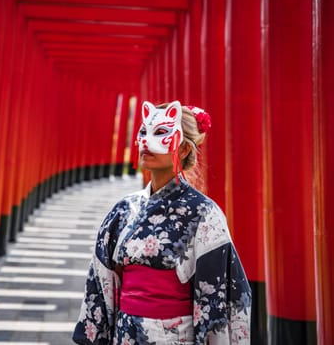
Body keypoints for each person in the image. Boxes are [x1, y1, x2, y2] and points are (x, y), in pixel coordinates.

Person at [73, 101, 251, 345]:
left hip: (175, 336)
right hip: (126, 334)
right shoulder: (123, 210)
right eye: (143, 132)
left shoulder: (204, 213)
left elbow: (219, 293)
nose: (146, 142)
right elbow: (100, 279)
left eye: (160, 133)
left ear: (185, 150)